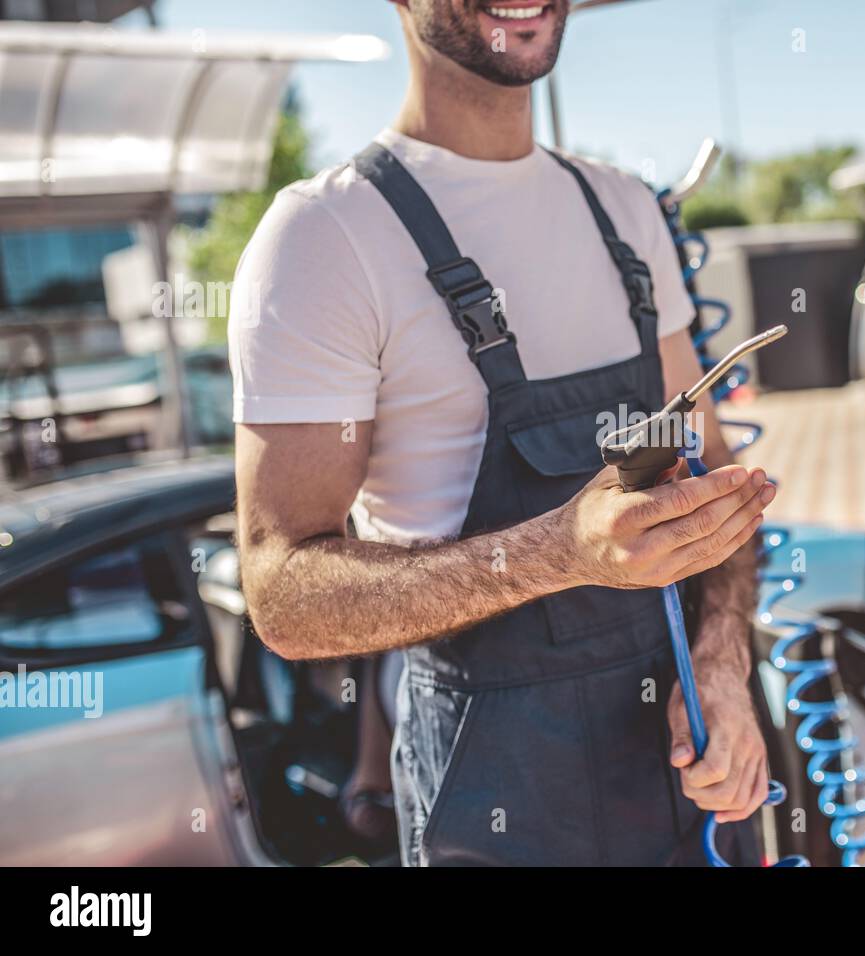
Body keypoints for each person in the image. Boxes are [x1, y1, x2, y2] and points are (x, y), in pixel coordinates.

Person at [230, 0, 776, 866]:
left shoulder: (625, 212)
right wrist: (559, 550)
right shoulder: (324, 237)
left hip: (688, 797)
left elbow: (715, 479)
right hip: (498, 810)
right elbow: (283, 593)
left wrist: (721, 663)